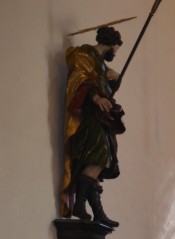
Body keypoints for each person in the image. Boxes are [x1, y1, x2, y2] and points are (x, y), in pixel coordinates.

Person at [61, 25, 124, 228]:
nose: (115, 52)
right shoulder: (85, 55)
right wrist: (96, 97)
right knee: (99, 157)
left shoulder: (101, 65)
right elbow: (80, 79)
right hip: (90, 117)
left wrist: (115, 79)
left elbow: (106, 89)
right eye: (116, 48)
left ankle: (90, 209)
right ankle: (87, 208)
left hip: (101, 118)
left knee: (105, 159)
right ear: (111, 44)